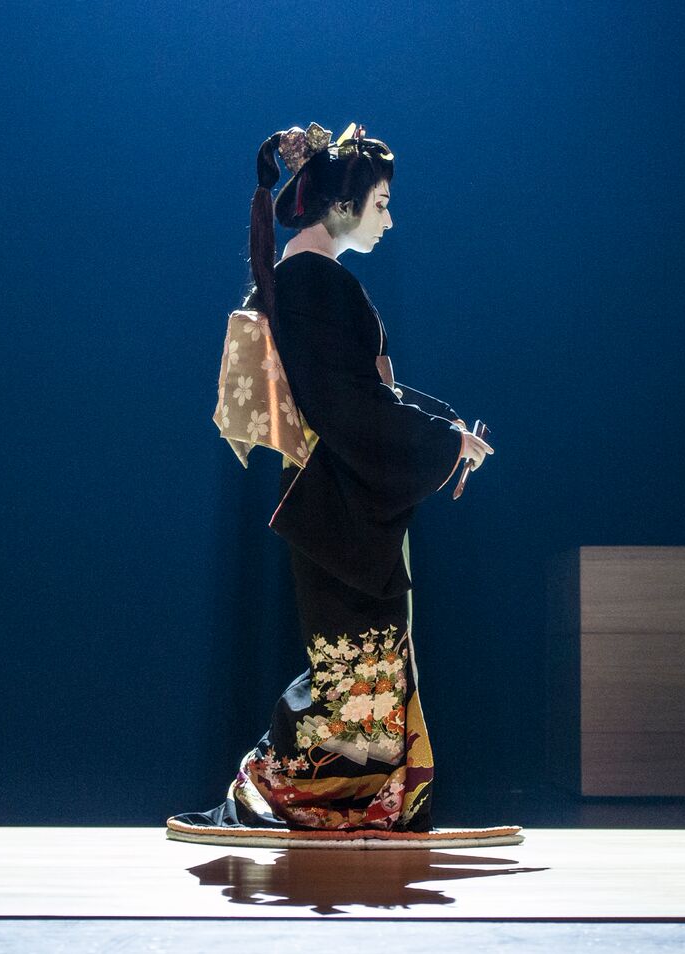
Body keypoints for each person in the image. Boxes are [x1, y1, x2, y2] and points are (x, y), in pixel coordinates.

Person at [169, 122, 493, 837]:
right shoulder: (312, 282)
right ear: (342, 204)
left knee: (362, 668)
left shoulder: (311, 280)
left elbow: (360, 396)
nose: (389, 220)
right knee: (352, 671)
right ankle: (278, 799)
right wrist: (441, 441)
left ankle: (348, 807)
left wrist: (442, 431)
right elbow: (345, 406)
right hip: (340, 499)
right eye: (381, 203)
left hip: (344, 497)